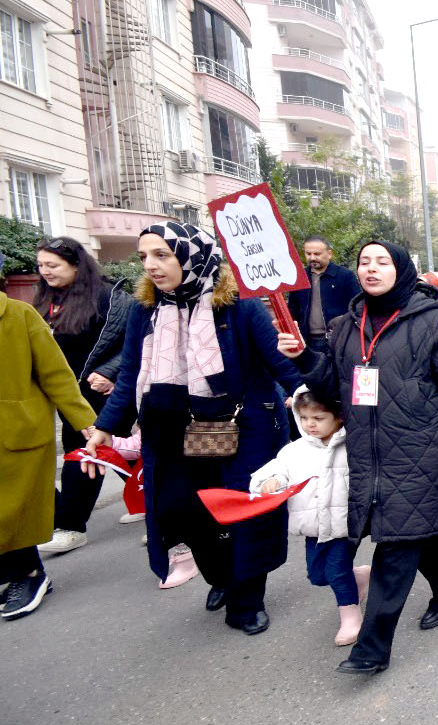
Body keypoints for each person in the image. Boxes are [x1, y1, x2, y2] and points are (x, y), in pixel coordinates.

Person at [85, 222, 303, 632]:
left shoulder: (239, 305)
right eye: (144, 256)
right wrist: (104, 427)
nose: (150, 265)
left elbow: (281, 363)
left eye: (162, 255)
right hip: (173, 432)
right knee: (185, 513)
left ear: (191, 256)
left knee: (245, 512)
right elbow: (131, 372)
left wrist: (307, 396)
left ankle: (248, 598)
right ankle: (223, 576)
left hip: (245, 427)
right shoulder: (145, 308)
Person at [280, 241, 438, 673]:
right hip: (368, 449)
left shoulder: (431, 321)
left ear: (401, 270)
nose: (371, 270)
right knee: (414, 527)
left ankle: (372, 648)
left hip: (422, 445)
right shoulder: (346, 324)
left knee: (395, 543)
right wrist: (301, 357)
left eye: (382, 262)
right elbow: (334, 387)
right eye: (364, 263)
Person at [0, 293, 98, 620]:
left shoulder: (19, 314)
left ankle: (28, 574)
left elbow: (56, 373)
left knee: (13, 509)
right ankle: (9, 571)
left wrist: (85, 420)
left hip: (16, 430)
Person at [31, 236, 132, 556]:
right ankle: (151, 501)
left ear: (76, 264)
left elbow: (135, 341)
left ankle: (72, 526)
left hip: (106, 389)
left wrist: (110, 372)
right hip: (68, 392)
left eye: (53, 265)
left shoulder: (109, 296)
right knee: (116, 451)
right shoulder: (45, 298)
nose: (45, 271)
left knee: (92, 450)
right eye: (41, 265)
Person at [249, 385, 366, 645]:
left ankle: (350, 616)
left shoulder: (353, 446)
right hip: (312, 527)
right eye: (304, 418)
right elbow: (274, 471)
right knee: (318, 575)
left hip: (343, 525)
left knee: (336, 572)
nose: (310, 424)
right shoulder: (294, 451)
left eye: (318, 418)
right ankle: (359, 577)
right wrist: (272, 481)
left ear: (339, 417)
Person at [286, 235, 359, 355]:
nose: (312, 258)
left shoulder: (345, 276)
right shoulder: (299, 278)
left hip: (339, 340)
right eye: (308, 254)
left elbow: (357, 307)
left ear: (329, 254)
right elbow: (293, 311)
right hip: (308, 342)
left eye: (317, 254)